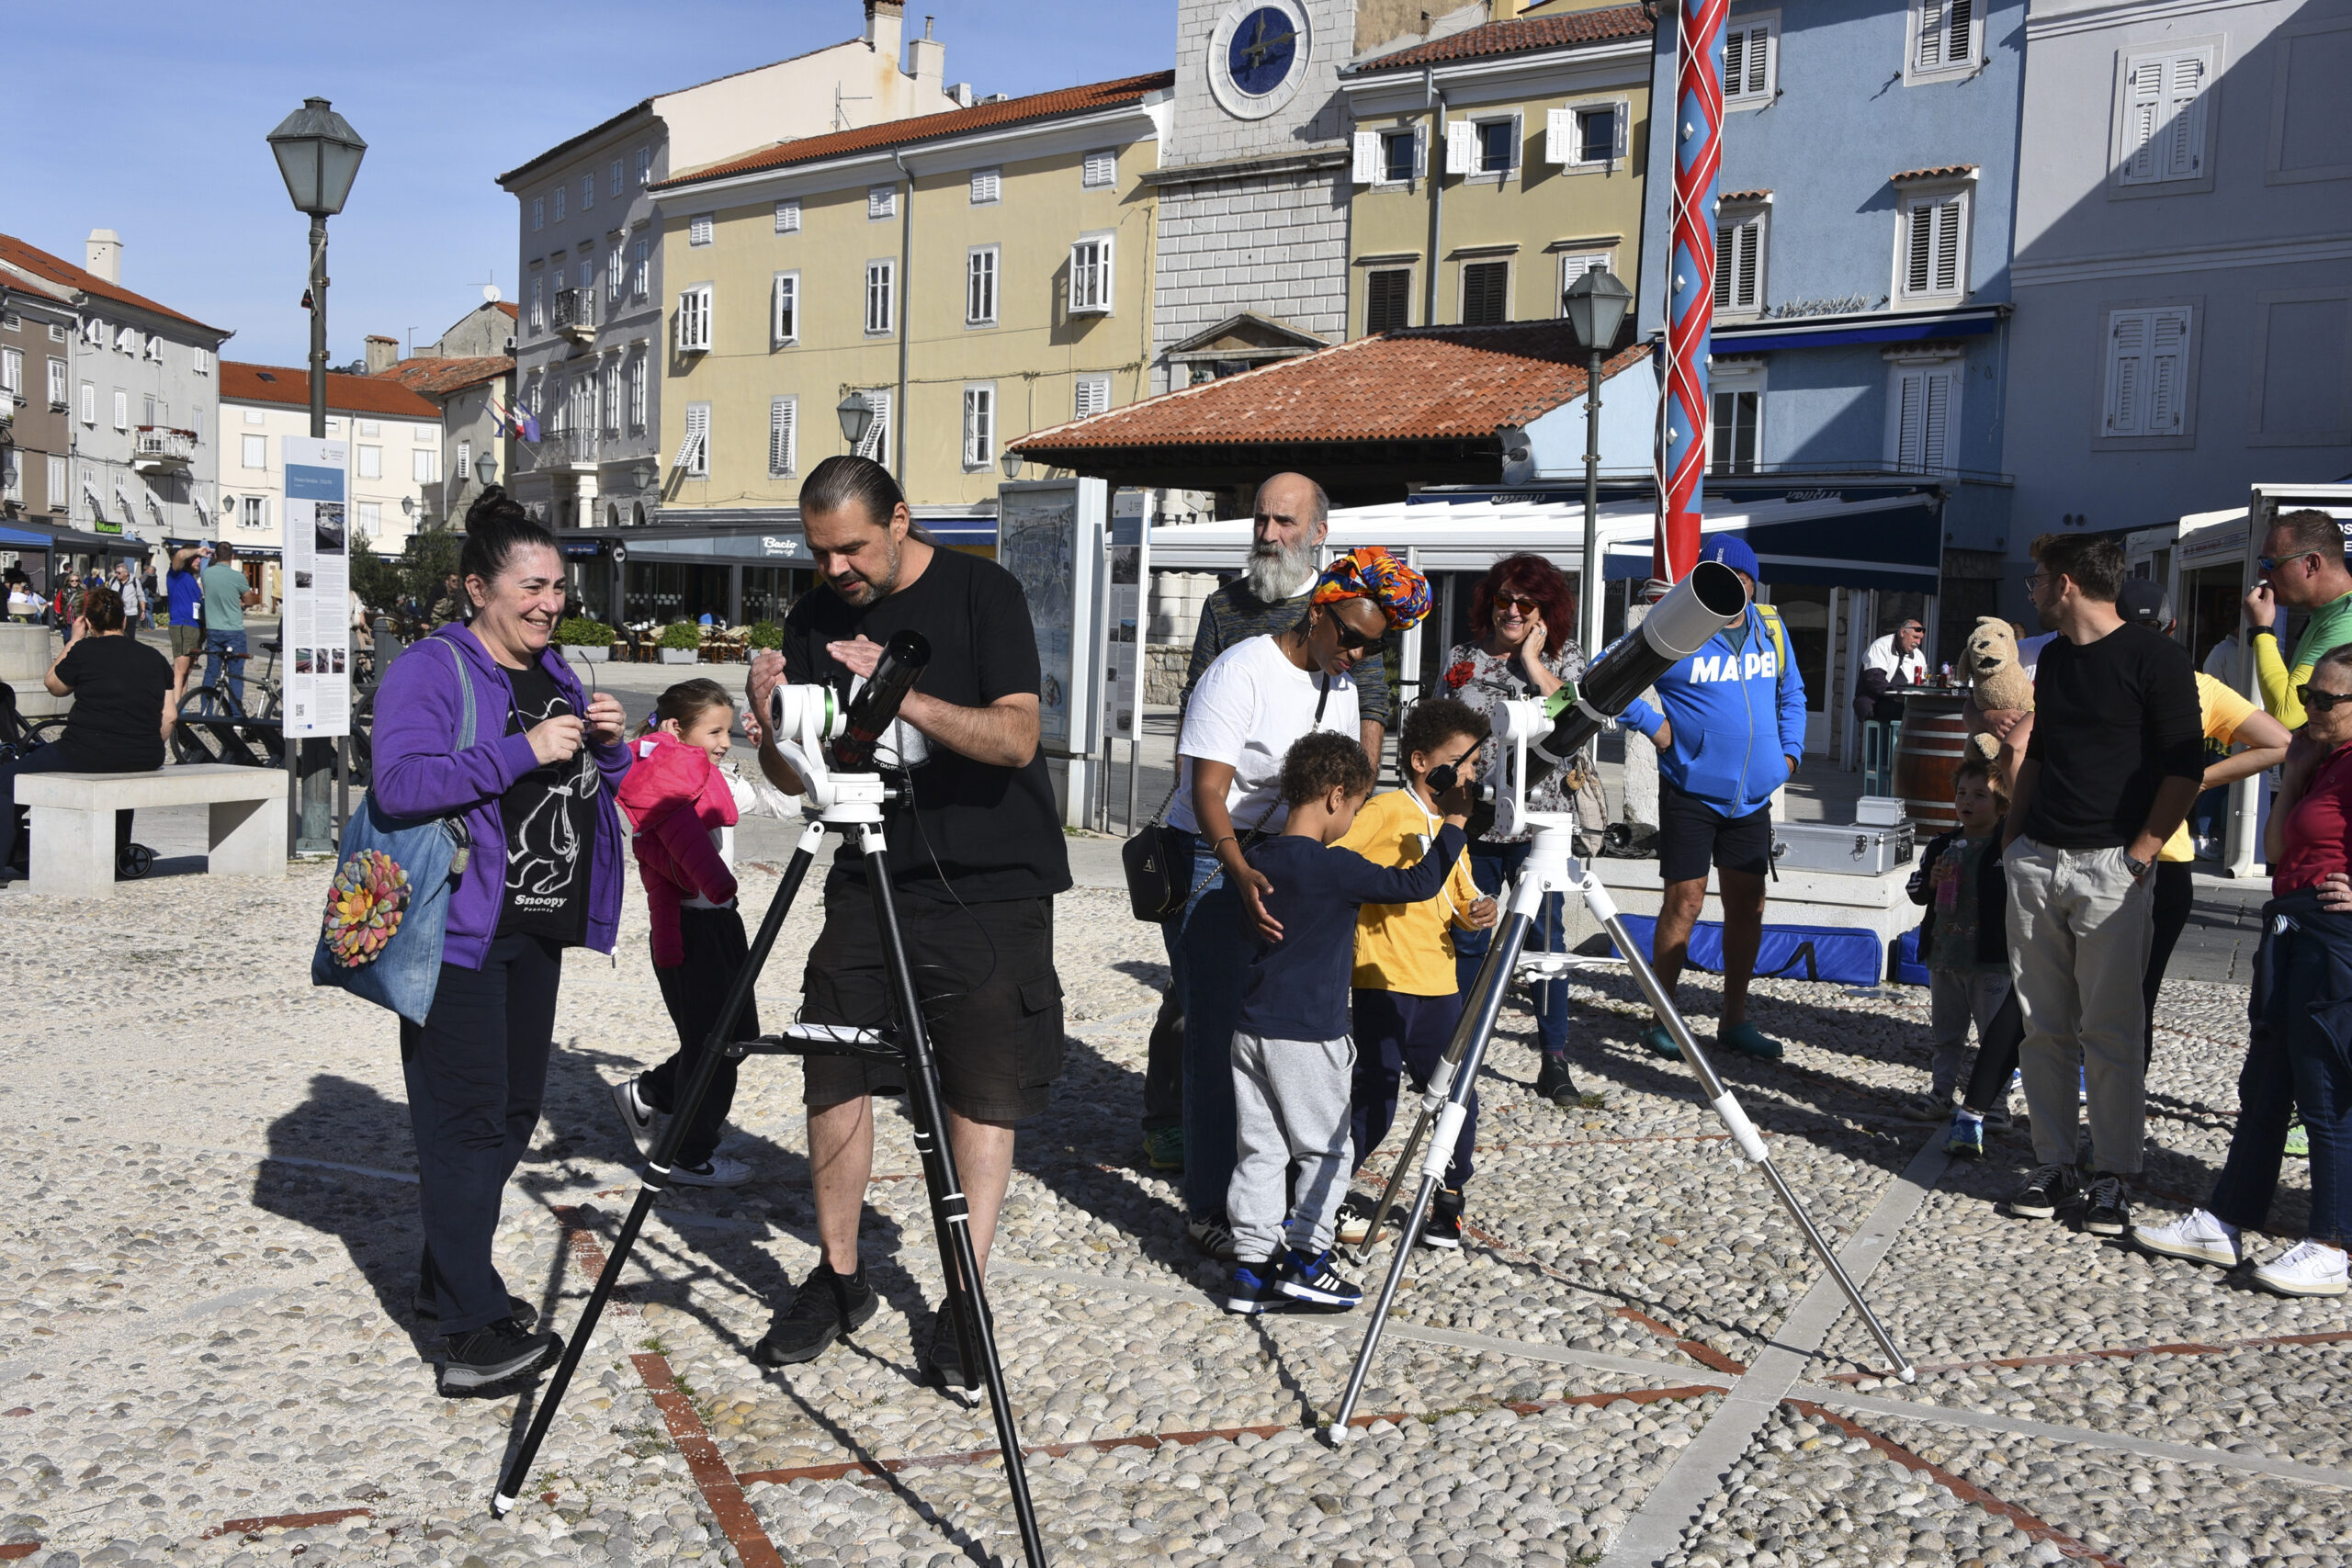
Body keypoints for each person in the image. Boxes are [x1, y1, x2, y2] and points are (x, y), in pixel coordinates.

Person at [741, 456, 1069, 1390]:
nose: (836, 570)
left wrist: (901, 692)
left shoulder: (981, 591)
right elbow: (797, 780)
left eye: (851, 548)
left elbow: (1014, 737)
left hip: (992, 876)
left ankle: (963, 1295)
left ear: (899, 521)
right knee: (831, 1062)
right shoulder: (812, 619)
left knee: (979, 1085)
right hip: (866, 866)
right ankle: (841, 1278)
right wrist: (772, 728)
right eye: (819, 553)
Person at [370, 488, 633, 1395]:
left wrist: (610, 747)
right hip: (456, 933)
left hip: (537, 929)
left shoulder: (556, 670)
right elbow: (399, 786)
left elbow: (602, 786)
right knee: (463, 1120)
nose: (549, 602)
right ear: (477, 587)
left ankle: (452, 1277)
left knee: (515, 1112)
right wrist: (522, 753)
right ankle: (468, 1335)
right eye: (531, 586)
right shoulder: (430, 669)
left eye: (558, 585)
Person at [1163, 547, 1428, 1264]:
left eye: (1373, 644)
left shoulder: (1338, 688)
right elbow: (1206, 789)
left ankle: (1276, 1206)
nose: (1357, 651)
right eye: (1348, 634)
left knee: (1273, 1038)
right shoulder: (1244, 667)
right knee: (1220, 1035)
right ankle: (1211, 1206)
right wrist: (1238, 868)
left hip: (1283, 863)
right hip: (1216, 858)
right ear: (1317, 611)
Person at [1137, 472, 1395, 1175]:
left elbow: (1367, 714)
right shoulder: (1228, 612)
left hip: (1298, 838)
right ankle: (1189, 1143)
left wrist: (1345, 810)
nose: (1268, 534)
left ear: (1317, 534)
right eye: (1261, 520)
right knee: (1199, 1003)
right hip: (1223, 839)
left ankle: (1261, 1155)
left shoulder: (1351, 624)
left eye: (1284, 522)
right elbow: (1202, 715)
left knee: (1266, 1001)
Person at [1220, 730, 1470, 1314]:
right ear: (1336, 797)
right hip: (1311, 1036)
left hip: (1252, 1029)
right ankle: (1309, 1259)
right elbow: (1417, 884)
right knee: (1327, 1151)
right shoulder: (1336, 868)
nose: (1354, 817)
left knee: (1259, 1151)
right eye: (1356, 806)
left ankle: (1251, 1271)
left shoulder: (1255, 864)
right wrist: (1454, 825)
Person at [2132, 643, 2352, 1298]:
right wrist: (2296, 770)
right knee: (2264, 1082)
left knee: (2324, 1090)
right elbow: (2279, 845)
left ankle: (2332, 1243)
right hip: (2291, 917)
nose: (2310, 708)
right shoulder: (2321, 757)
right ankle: (2227, 1217)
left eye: (2326, 699)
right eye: (2309, 695)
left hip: (2333, 933)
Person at [2000, 534, 2202, 1237]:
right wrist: (2011, 839)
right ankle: (2055, 1161)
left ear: (2065, 585)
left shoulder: (2157, 657)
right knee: (2043, 1025)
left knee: (2110, 1030)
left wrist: (2142, 854)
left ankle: (2114, 1171)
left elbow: (2187, 766)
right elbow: (2041, 754)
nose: (2029, 590)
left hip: (2113, 865)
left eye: (2035, 579)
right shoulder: (2053, 659)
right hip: (2037, 859)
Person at [1615, 536, 1805, 1061]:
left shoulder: (1770, 626)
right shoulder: (1676, 627)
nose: (1725, 592)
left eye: (1736, 581)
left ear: (1751, 582)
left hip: (1752, 798)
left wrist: (1788, 757)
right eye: (1711, 580)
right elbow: (1611, 677)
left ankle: (1734, 1020)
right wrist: (1657, 729)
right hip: (1692, 791)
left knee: (1749, 904)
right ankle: (1663, 1020)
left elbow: (1792, 692)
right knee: (1686, 902)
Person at [610, 679, 798, 1189]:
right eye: (714, 731)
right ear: (675, 728)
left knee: (730, 1039)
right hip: (687, 930)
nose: (723, 741)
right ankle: (689, 1154)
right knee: (712, 1046)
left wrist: (770, 747)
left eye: (729, 731)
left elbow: (786, 805)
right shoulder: (657, 783)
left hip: (723, 923)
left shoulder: (718, 779)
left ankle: (651, 1092)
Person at [1334, 697, 1496, 1250]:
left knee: (1455, 1097)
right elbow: (1338, 864)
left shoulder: (1453, 826)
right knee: (1374, 1096)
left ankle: (1448, 1200)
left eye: (1476, 764)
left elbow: (1461, 895)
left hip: (1441, 984)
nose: (1471, 774)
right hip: (1382, 977)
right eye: (1463, 761)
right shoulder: (1384, 812)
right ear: (1423, 761)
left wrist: (1479, 911)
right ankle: (1323, 1196)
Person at [1440, 551, 1595, 1106]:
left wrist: (1532, 660)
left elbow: (1575, 721)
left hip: (1540, 830)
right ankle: (1454, 1055)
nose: (1511, 610)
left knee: (1546, 949)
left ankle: (1553, 1060)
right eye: (1503, 599)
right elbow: (1440, 724)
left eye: (1524, 602)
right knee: (1467, 937)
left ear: (1544, 609)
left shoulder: (1566, 659)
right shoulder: (1463, 656)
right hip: (1475, 821)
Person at [2117, 580, 2289, 1065]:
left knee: (2079, 985)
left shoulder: (2090, 680)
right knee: (2140, 993)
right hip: (2166, 856)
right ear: (2172, 628)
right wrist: (2198, 781)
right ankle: (2116, 1102)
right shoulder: (2198, 687)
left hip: (2106, 849)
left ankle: (2079, 1083)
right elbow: (2279, 743)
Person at [0, 587, 175, 881]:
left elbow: (53, 685)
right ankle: (117, 849)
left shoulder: (84, 651)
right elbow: (169, 716)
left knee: (4, 784)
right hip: (145, 754)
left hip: (84, 751)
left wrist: (74, 640)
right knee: (119, 775)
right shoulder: (154, 657)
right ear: (123, 621)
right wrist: (143, 743)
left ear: (89, 622)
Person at [1904, 752, 2024, 1156]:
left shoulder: (2008, 847)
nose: (1967, 802)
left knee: (1996, 1036)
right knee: (1946, 1032)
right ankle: (1941, 1093)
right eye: (1961, 794)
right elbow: (1916, 889)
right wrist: (1931, 884)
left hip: (1991, 959)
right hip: (1946, 954)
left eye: (1980, 795)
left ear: (2003, 805)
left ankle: (1996, 1103)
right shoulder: (1942, 844)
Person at [2245, 508, 2352, 731]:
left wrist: (2261, 630)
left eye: (2269, 564)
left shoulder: (2347, 620)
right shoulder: (2329, 613)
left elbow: (2287, 715)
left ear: (2312, 563)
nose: (2261, 575)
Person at [198, 543, 258, 712]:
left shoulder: (206, 574)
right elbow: (249, 601)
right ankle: (235, 715)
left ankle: (206, 712)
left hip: (213, 629)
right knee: (235, 674)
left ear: (215, 556)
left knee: (211, 672)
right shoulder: (238, 577)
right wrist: (240, 601)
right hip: (234, 630)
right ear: (232, 557)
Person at [164, 546, 207, 698]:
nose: (199, 560)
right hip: (183, 625)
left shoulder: (190, 578)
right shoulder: (176, 574)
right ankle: (174, 711)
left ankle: (181, 708)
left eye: (200, 559)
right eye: (196, 558)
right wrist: (197, 550)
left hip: (194, 626)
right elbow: (180, 554)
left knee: (187, 671)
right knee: (180, 670)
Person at [1863, 618, 1928, 686]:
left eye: (1920, 639)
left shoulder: (1918, 655)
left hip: (1906, 696)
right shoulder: (1881, 646)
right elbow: (1875, 680)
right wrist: (1896, 693)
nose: (1918, 642)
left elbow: (1922, 683)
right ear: (1903, 633)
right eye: (1915, 637)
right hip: (1875, 696)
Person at [109, 563, 145, 632]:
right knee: (116, 633)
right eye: (116, 572)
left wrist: (143, 610)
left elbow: (141, 596)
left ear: (126, 573)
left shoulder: (134, 581)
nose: (116, 574)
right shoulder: (113, 580)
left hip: (130, 612)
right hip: (116, 611)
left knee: (129, 635)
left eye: (119, 573)